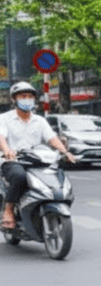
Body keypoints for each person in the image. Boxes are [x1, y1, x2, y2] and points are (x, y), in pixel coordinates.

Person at [0, 82, 76, 229]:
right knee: (20, 177)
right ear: (14, 99)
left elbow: (52, 139)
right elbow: (1, 137)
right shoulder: (4, 118)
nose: (27, 99)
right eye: (23, 96)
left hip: (37, 160)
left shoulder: (40, 121)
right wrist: (7, 150)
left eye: (30, 96)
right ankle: (9, 209)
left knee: (56, 176)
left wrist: (65, 152)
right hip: (12, 161)